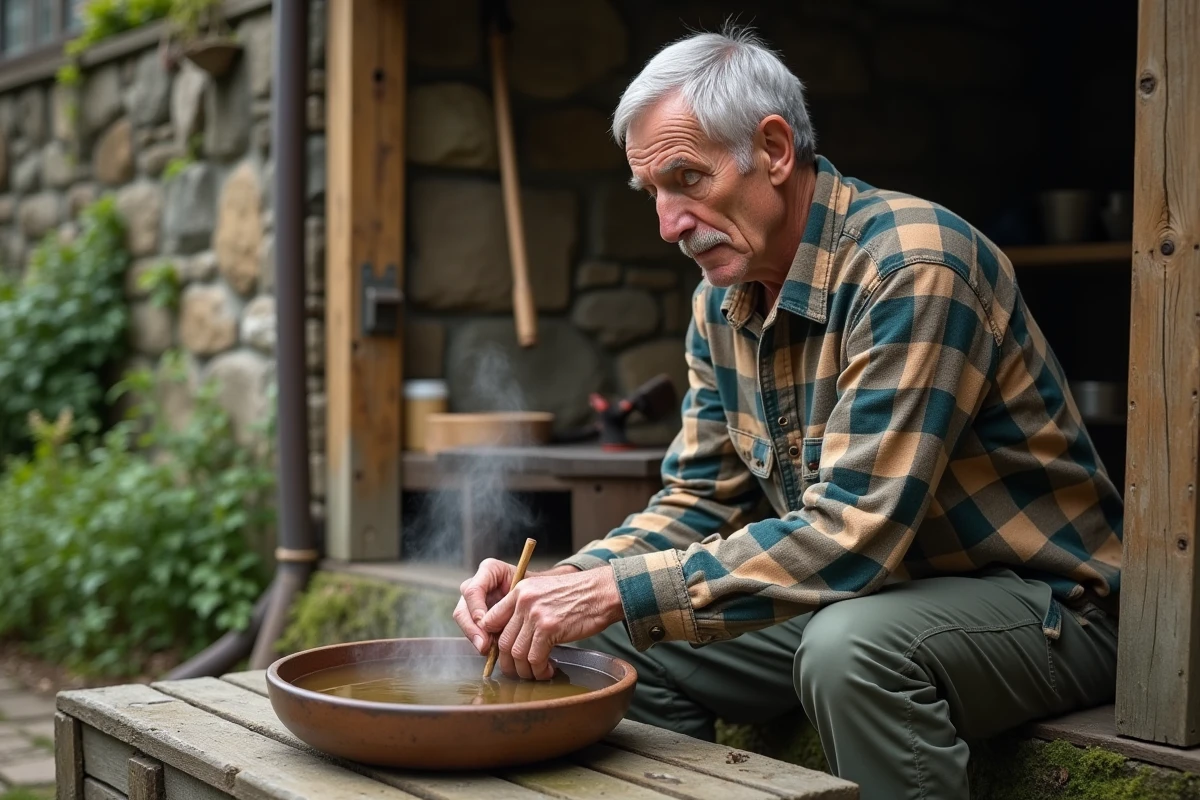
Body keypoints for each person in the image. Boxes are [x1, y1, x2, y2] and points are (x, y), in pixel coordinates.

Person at [453, 23, 1122, 799]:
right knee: (618, 636)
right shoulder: (721, 298)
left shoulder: (914, 265)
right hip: (874, 596)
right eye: (655, 193)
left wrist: (616, 588)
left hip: (1050, 609)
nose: (669, 223)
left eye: (687, 179)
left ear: (773, 150)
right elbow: (697, 499)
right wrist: (566, 585)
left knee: (852, 650)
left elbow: (853, 531)